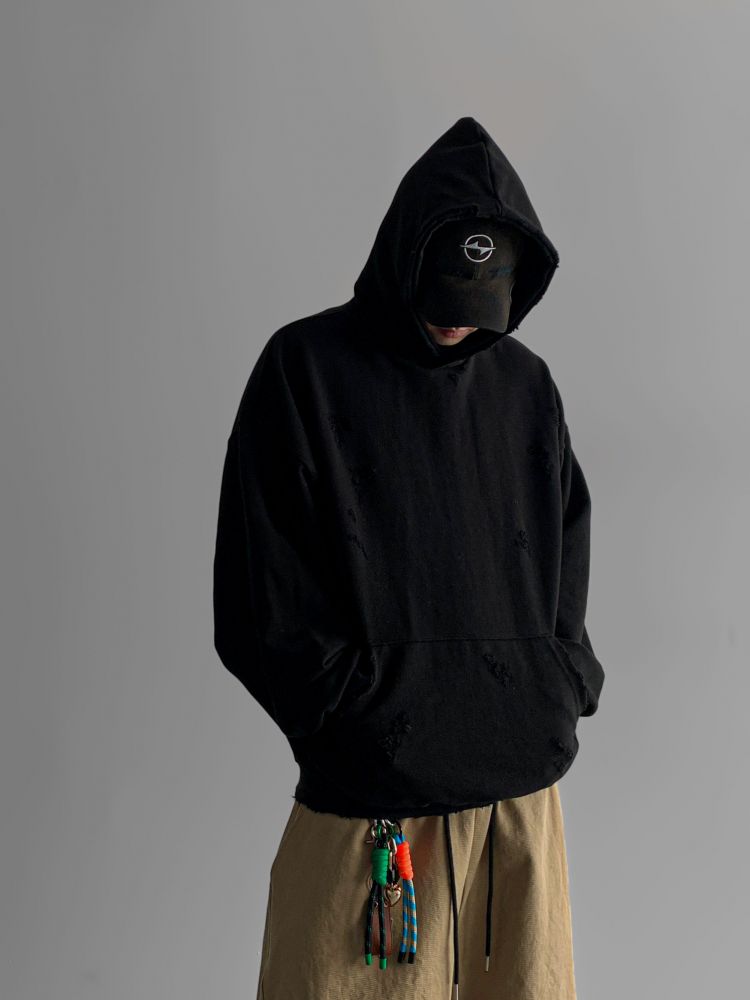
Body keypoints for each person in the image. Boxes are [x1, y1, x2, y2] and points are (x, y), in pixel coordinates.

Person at [212, 115, 606, 1000]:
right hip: (372, 817)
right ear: (404, 262)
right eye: (444, 300)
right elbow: (258, 592)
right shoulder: (305, 370)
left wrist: (556, 686)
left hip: (520, 809)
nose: (461, 326)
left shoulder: (527, 386)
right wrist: (360, 721)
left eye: (482, 306)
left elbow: (567, 553)